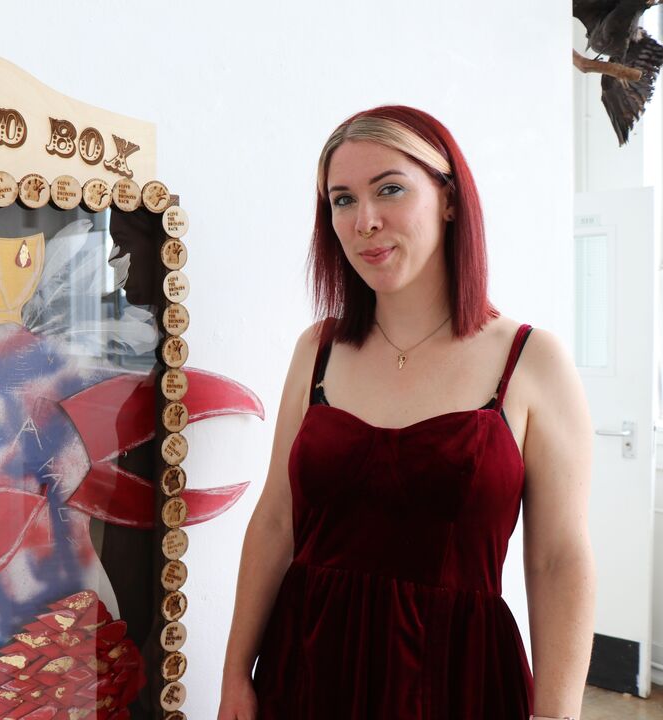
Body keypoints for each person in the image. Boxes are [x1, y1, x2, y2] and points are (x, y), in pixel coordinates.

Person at [216, 105, 596, 719]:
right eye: (342, 200)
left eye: (389, 189)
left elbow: (559, 558)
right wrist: (236, 673)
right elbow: (276, 522)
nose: (364, 220)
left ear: (449, 200)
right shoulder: (316, 351)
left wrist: (557, 713)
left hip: (457, 680)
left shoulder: (531, 361)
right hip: (307, 673)